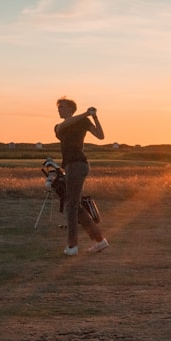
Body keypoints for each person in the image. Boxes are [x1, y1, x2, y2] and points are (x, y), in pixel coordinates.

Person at [54, 97, 109, 256]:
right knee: (74, 205)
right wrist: (86, 113)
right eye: (59, 107)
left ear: (71, 109)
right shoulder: (59, 126)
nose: (59, 110)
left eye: (62, 107)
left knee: (71, 205)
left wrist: (94, 117)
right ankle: (99, 240)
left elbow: (100, 136)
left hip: (78, 165)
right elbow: (65, 125)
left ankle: (72, 246)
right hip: (71, 166)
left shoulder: (83, 122)